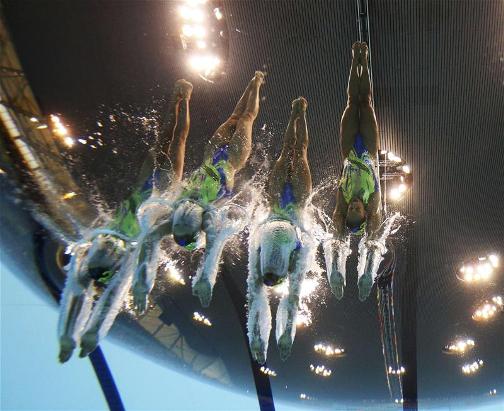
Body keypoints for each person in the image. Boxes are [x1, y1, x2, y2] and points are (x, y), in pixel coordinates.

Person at [59, 71, 265, 360]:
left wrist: (67, 336)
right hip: (221, 166)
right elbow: (113, 294)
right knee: (242, 120)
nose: (104, 247)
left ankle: (180, 97)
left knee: (174, 138)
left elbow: (75, 290)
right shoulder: (188, 222)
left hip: (157, 184)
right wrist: (88, 332)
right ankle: (255, 83)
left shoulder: (117, 236)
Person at [247, 97, 314, 364]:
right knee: (302, 151)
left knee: (287, 150)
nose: (272, 270)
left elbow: (253, 301)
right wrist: (285, 333)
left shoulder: (257, 271)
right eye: (277, 273)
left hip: (274, 203)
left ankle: (293, 113)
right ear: (283, 272)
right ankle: (303, 114)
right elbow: (293, 300)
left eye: (268, 273)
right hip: (297, 203)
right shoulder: (295, 268)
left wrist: (255, 338)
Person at [328, 41, 382, 302]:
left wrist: (335, 269)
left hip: (350, 149)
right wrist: (367, 274)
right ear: (364, 215)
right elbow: (373, 238)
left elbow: (336, 234)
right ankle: (366, 59)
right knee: (367, 103)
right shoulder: (373, 206)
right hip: (368, 151)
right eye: (356, 211)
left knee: (351, 102)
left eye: (352, 209)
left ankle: (356, 58)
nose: (354, 206)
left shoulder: (342, 205)